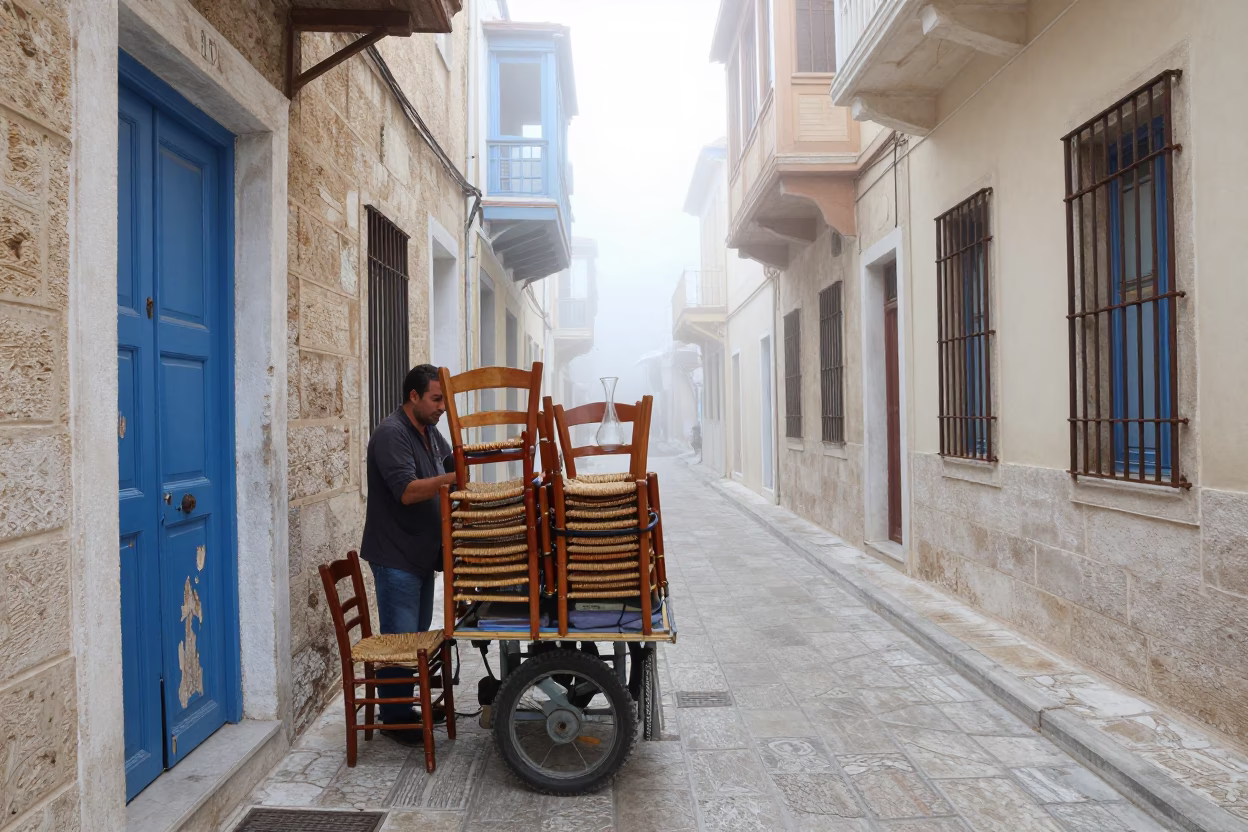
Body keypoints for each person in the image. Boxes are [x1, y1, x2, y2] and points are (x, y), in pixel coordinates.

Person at [359, 364, 457, 744]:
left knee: (414, 641)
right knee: (400, 642)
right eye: (436, 399)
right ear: (413, 397)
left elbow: (451, 463)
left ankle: (403, 706)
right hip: (396, 555)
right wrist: (451, 481)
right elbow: (408, 491)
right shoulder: (391, 434)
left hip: (420, 554)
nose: (442, 407)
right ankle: (395, 718)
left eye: (444, 399)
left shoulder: (430, 433)